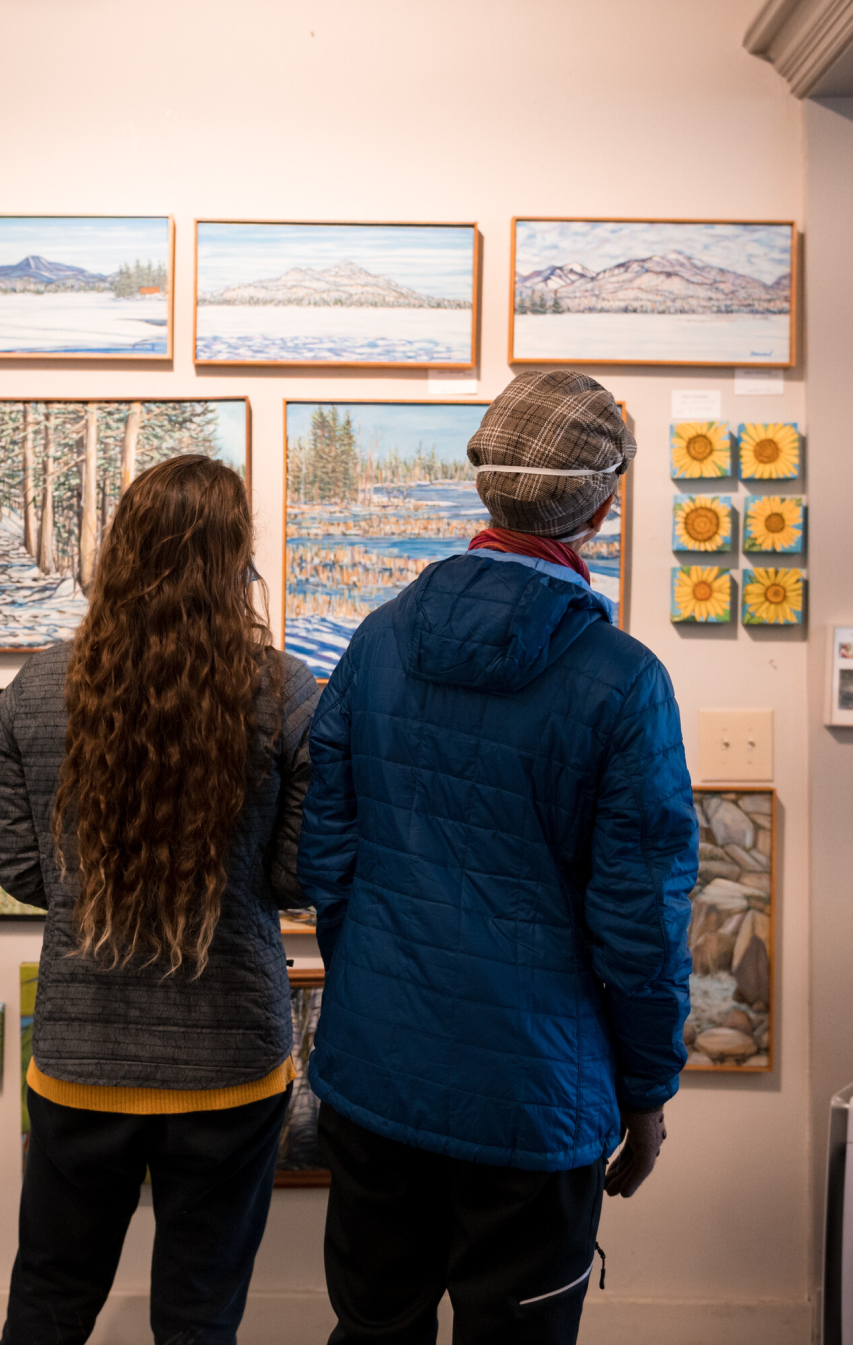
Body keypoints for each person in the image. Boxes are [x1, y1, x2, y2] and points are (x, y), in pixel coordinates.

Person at [297, 370, 698, 1345]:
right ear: (602, 506)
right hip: (534, 1100)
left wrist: (383, 996)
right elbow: (640, 921)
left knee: (373, 1328)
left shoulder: (379, 640)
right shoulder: (623, 682)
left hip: (376, 1075)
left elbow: (328, 859)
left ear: (489, 489)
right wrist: (646, 1094)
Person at [0, 455, 319, 1345]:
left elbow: (21, 872)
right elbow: (294, 877)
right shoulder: (283, 693)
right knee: (199, 1313)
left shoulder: (33, 690)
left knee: (50, 1299)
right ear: (235, 558)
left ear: (119, 549)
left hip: (80, 1052)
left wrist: (89, 897)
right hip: (230, 1060)